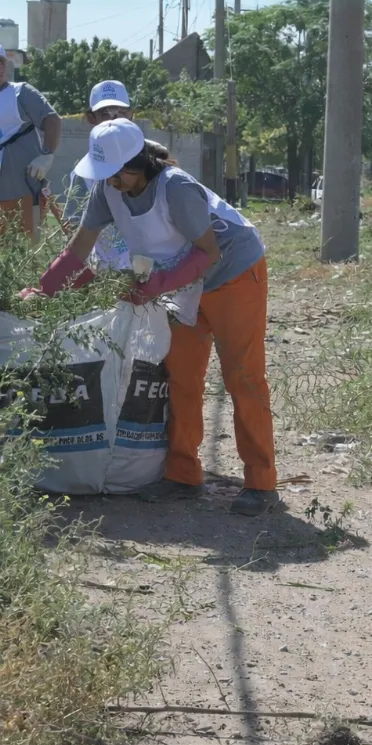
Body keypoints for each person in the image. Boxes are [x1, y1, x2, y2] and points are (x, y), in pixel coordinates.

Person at [31, 119, 279, 517]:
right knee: (180, 376)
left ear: (138, 164)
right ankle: (183, 474)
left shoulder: (175, 188)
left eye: (116, 175)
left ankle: (261, 483)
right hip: (181, 281)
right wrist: (41, 292)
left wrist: (154, 286)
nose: (110, 182)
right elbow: (77, 251)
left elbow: (208, 253)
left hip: (233, 274)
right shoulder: (106, 191)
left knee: (242, 377)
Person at [63, 80, 137, 272]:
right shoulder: (84, 175)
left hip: (154, 269)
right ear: (91, 118)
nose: (113, 119)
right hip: (108, 275)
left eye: (121, 113)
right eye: (105, 114)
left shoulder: (152, 161)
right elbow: (73, 227)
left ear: (132, 115)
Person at [0, 45, 62, 239]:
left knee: (27, 254)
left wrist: (47, 155)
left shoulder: (21, 93)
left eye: (1, 62)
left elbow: (52, 120)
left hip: (24, 193)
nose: (0, 68)